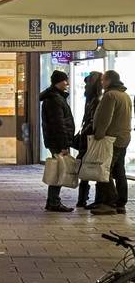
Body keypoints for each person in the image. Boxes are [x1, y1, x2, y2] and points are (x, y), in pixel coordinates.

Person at [90, 70, 132, 216]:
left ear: (108, 80)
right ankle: (121, 203)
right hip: (123, 138)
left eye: (103, 80)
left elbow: (104, 118)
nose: (101, 83)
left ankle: (110, 203)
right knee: (119, 171)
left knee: (104, 170)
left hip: (111, 139)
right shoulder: (124, 95)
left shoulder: (110, 95)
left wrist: (99, 134)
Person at [40, 70, 76, 213]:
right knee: (59, 170)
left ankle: (52, 201)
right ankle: (54, 201)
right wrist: (63, 145)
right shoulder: (55, 99)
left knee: (58, 169)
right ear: (58, 82)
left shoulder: (54, 97)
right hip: (57, 141)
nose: (67, 83)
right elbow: (58, 124)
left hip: (55, 140)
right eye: (65, 80)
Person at [76, 71, 104, 209]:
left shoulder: (91, 97)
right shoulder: (97, 98)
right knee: (96, 166)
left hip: (86, 137)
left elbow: (89, 120)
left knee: (86, 167)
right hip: (91, 138)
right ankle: (90, 199)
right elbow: (93, 120)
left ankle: (82, 199)